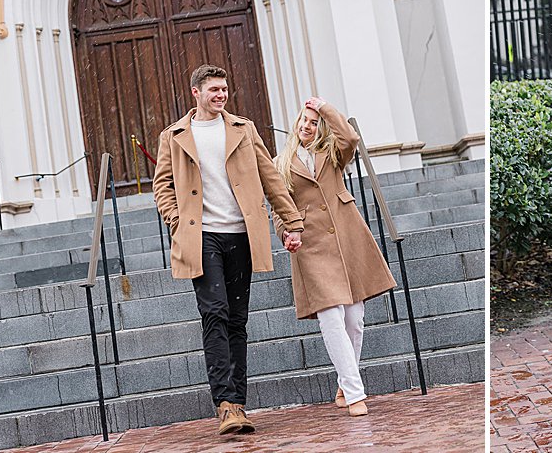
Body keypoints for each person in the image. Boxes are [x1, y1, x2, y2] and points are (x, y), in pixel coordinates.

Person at [152, 64, 304, 435]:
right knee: (215, 313)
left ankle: (238, 403)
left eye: (224, 89)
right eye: (214, 90)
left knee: (237, 319)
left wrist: (292, 222)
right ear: (196, 93)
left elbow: (270, 175)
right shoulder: (173, 136)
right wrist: (177, 220)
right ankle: (225, 405)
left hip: (241, 235)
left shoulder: (242, 128)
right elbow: (162, 186)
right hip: (201, 236)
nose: (221, 95)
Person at [273, 95, 396, 416]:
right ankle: (356, 394)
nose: (307, 126)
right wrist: (286, 233)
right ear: (296, 122)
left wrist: (324, 107)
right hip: (310, 244)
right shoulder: (280, 163)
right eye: (304, 120)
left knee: (355, 320)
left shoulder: (332, 153)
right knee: (331, 317)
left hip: (347, 237)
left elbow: (350, 137)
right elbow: (277, 206)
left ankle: (345, 381)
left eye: (314, 123)